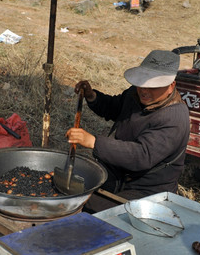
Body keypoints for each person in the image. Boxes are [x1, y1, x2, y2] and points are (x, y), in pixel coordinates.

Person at [66, 50, 190, 212]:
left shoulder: (174, 118)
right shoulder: (135, 94)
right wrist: (92, 96)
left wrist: (95, 142)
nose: (144, 90)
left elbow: (141, 155)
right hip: (116, 175)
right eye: (142, 83)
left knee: (87, 208)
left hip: (146, 190)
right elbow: (114, 107)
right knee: (71, 194)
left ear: (170, 86)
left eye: (153, 86)